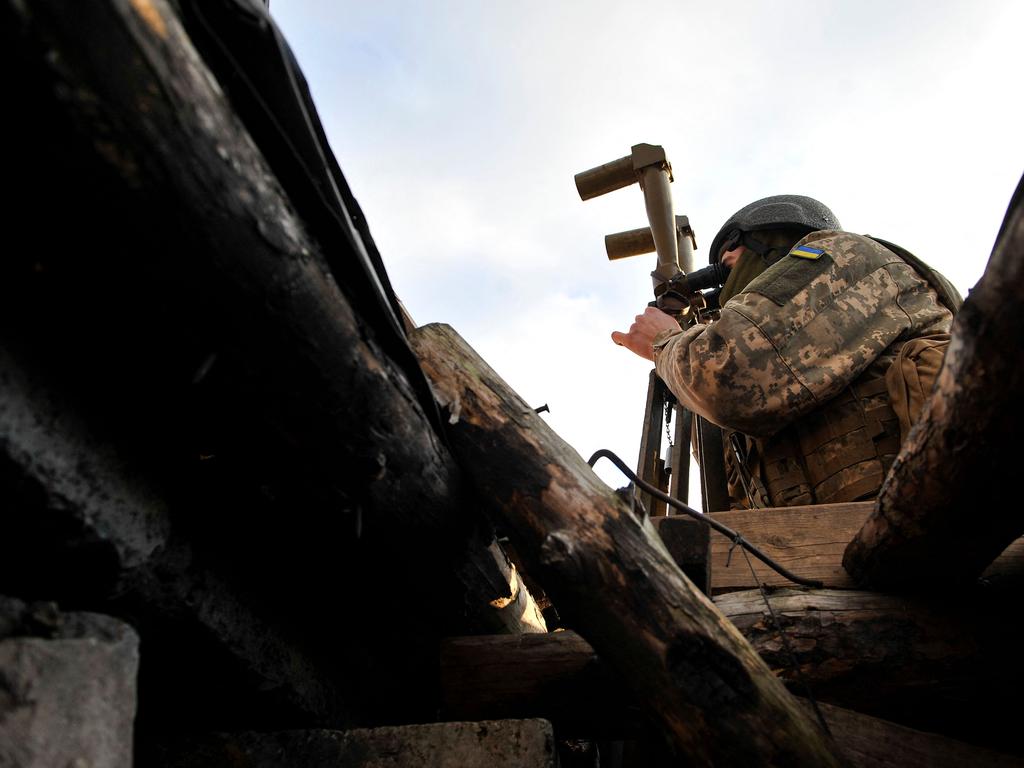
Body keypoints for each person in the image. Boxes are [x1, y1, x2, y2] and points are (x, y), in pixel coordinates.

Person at [612, 195, 961, 508]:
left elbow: (728, 376)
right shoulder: (800, 355)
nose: (726, 261)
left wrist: (665, 343)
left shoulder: (840, 253)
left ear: (775, 235)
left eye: (732, 247)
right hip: (812, 545)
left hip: (916, 517)